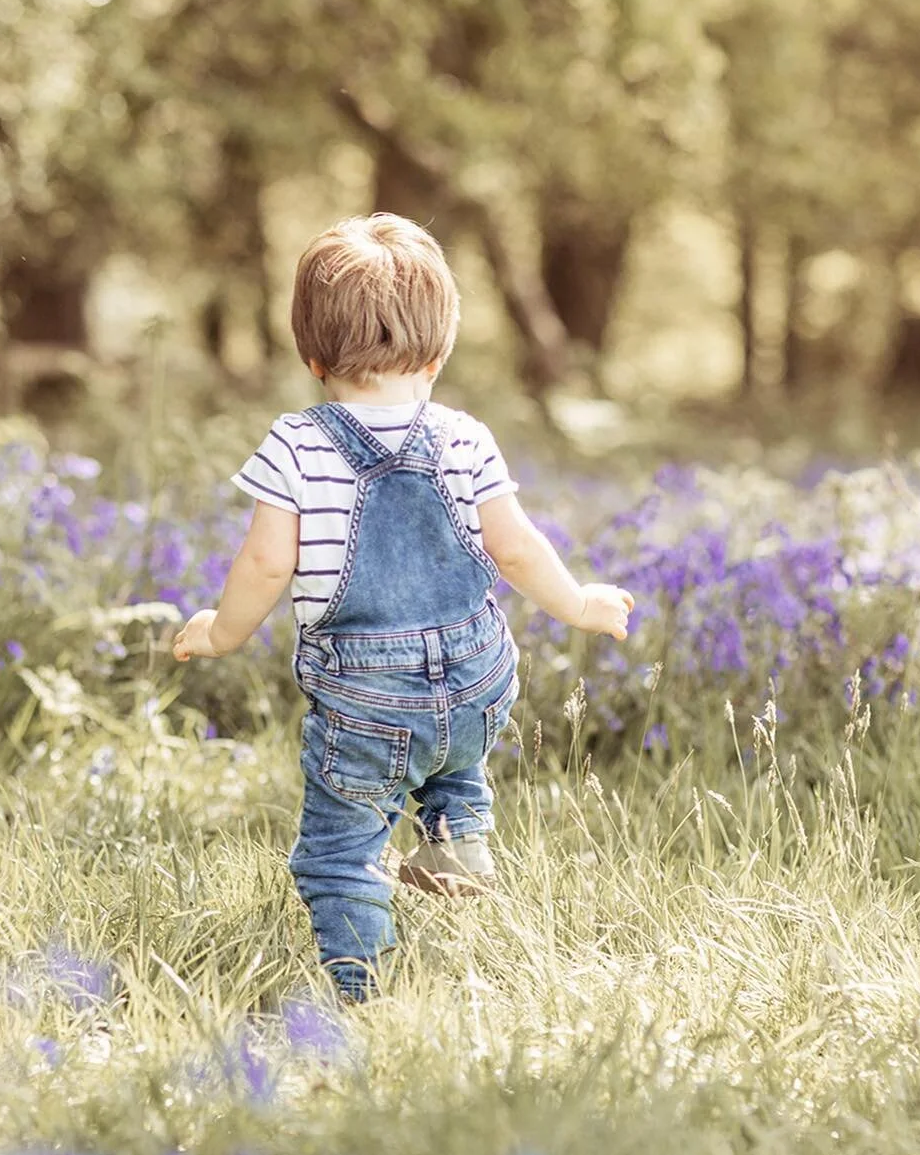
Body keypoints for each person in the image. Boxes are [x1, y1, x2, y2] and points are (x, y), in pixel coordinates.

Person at [172, 213, 634, 1001]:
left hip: (366, 701)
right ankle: (458, 840)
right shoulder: (465, 438)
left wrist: (221, 630)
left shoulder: (296, 444)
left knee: (340, 846)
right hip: (478, 680)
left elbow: (265, 560)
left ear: (311, 354)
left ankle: (360, 985)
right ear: (440, 347)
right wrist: (581, 601)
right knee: (453, 755)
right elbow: (516, 549)